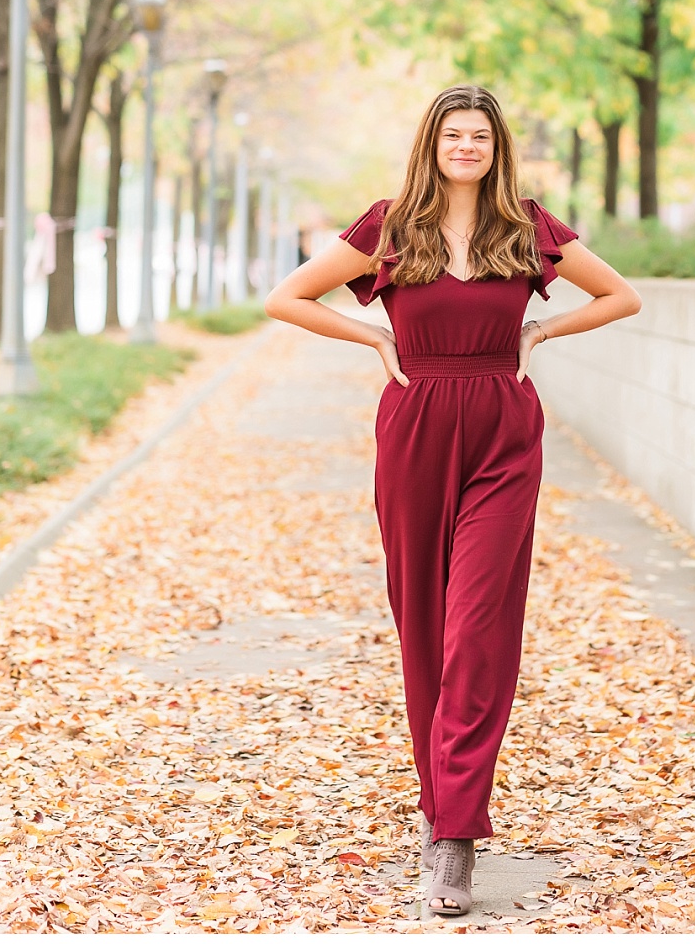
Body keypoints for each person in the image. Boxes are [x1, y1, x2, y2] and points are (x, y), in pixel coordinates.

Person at [264, 85, 640, 917]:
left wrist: (541, 331)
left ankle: (456, 837)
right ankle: (440, 804)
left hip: (505, 431)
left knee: (478, 624)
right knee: (425, 626)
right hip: (415, 424)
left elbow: (620, 296)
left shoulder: (528, 228)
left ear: (497, 147)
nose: (466, 145)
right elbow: (286, 298)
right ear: (431, 144)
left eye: (479, 135)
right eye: (452, 133)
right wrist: (371, 334)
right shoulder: (390, 227)